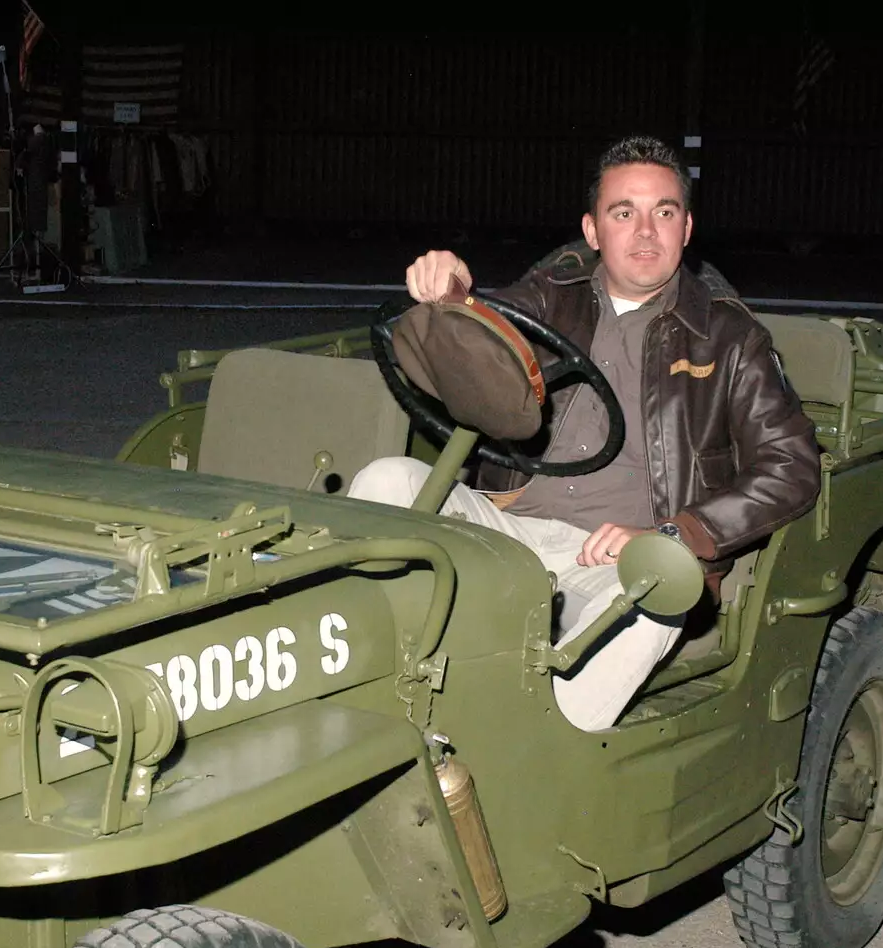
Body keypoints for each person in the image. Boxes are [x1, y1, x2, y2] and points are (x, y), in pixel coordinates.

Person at [348, 135, 822, 731]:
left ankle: (535, 750)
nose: (646, 232)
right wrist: (451, 294)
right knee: (387, 479)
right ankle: (362, 699)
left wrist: (674, 533)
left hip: (616, 560)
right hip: (508, 528)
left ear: (687, 227)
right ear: (593, 230)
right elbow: (478, 340)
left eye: (664, 212)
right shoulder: (548, 301)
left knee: (661, 597)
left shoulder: (730, 338)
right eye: (625, 212)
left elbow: (793, 466)